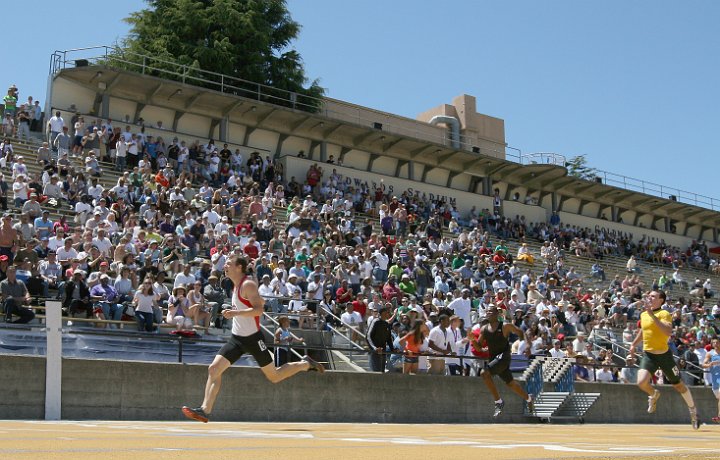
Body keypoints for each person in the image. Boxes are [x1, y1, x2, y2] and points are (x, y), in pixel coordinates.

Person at [182, 255, 324, 423]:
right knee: (213, 369)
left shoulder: (247, 284)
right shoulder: (235, 286)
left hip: (253, 339)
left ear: (239, 267)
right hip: (237, 339)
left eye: (229, 264)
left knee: (275, 376)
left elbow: (258, 310)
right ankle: (205, 410)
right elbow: (256, 303)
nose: (225, 266)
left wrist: (236, 313)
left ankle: (305, 364)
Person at [628, 290, 699, 429]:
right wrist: (633, 344)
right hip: (649, 354)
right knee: (641, 382)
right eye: (649, 296)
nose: (650, 298)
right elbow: (643, 330)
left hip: (664, 355)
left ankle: (693, 411)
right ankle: (654, 394)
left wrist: (652, 316)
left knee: (678, 385)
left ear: (661, 300)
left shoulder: (664, 314)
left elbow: (667, 332)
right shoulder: (643, 315)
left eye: (653, 296)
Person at [474, 305, 534, 418]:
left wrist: (526, 346)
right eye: (487, 311)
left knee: (484, 373)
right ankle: (529, 398)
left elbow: (520, 332)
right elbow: (478, 348)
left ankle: (498, 402)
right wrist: (472, 339)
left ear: (497, 313)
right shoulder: (484, 329)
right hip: (494, 360)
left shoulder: (505, 326)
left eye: (491, 311)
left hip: (504, 357)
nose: (488, 313)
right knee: (510, 384)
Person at [366, 306, 395, 372]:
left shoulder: (386, 324)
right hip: (375, 352)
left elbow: (389, 339)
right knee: (376, 372)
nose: (387, 314)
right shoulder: (375, 321)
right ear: (381, 314)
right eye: (386, 313)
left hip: (383, 352)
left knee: (382, 371)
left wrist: (393, 349)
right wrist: (374, 348)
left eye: (388, 313)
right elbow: (368, 336)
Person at [702, 338, 720, 423]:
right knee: (719, 398)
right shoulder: (710, 354)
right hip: (715, 379)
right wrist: (710, 364)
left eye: (717, 342)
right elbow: (703, 364)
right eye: (714, 342)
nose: (716, 344)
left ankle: (719, 416)